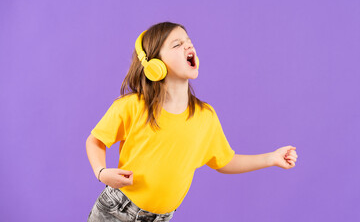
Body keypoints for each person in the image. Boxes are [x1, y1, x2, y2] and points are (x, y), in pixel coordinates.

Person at [86, 21, 298, 222]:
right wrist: (101, 173)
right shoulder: (133, 106)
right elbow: (95, 140)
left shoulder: (205, 116)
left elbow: (225, 161)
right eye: (177, 44)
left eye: (189, 42)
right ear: (155, 65)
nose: (188, 45)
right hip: (116, 210)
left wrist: (271, 158)